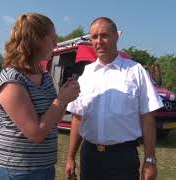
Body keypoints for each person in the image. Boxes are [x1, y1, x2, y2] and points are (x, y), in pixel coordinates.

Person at [65, 17, 164, 180]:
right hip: (90, 157)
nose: (99, 41)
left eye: (104, 35)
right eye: (94, 37)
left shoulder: (135, 71)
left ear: (116, 36)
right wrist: (70, 157)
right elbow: (77, 118)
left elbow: (148, 118)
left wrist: (150, 160)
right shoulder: (86, 74)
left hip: (123, 158)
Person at [0, 12, 80, 180]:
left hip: (44, 168)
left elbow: (53, 119)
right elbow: (35, 133)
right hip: (15, 171)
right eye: (52, 39)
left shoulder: (43, 75)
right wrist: (61, 99)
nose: (56, 43)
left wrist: (65, 98)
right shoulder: (12, 78)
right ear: (36, 40)